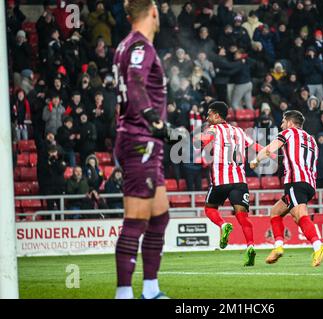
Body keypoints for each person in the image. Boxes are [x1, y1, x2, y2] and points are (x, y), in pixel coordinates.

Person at [113, 0, 170, 300]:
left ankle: (150, 290)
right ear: (152, 12)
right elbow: (135, 84)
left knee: (160, 217)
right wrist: (154, 122)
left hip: (142, 140)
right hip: (140, 140)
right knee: (136, 220)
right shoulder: (140, 47)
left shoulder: (123, 46)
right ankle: (123, 293)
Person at [250, 110, 323, 267]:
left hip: (295, 181)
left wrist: (256, 159)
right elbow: (291, 158)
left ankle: (319, 246)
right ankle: (278, 246)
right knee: (276, 211)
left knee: (300, 215)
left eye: (283, 122)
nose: (281, 125)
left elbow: (270, 148)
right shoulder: (311, 140)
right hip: (309, 183)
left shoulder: (289, 133)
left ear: (291, 123)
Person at [199, 101, 265, 266]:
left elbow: (201, 146)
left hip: (220, 181)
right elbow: (257, 147)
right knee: (243, 217)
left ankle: (223, 224)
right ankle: (250, 246)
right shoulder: (239, 131)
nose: (207, 118)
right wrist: (272, 154)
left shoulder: (212, 130)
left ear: (216, 114)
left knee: (209, 209)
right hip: (239, 181)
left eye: (209, 114)